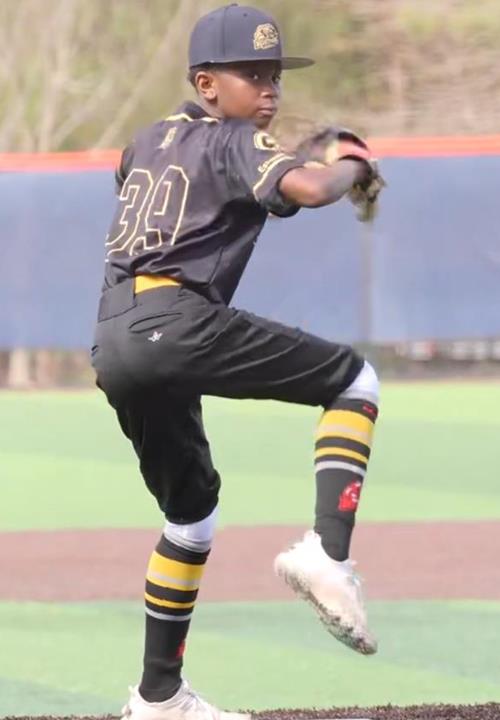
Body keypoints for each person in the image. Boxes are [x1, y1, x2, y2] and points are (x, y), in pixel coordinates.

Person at [92, 4, 381, 720]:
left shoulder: (145, 141)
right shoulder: (235, 138)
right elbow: (309, 190)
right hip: (177, 322)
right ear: (206, 84)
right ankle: (327, 555)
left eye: (274, 74)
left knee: (191, 518)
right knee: (354, 380)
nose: (269, 88)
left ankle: (158, 697)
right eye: (251, 74)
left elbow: (167, 186)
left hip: (114, 337)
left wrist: (288, 154)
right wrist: (351, 161)